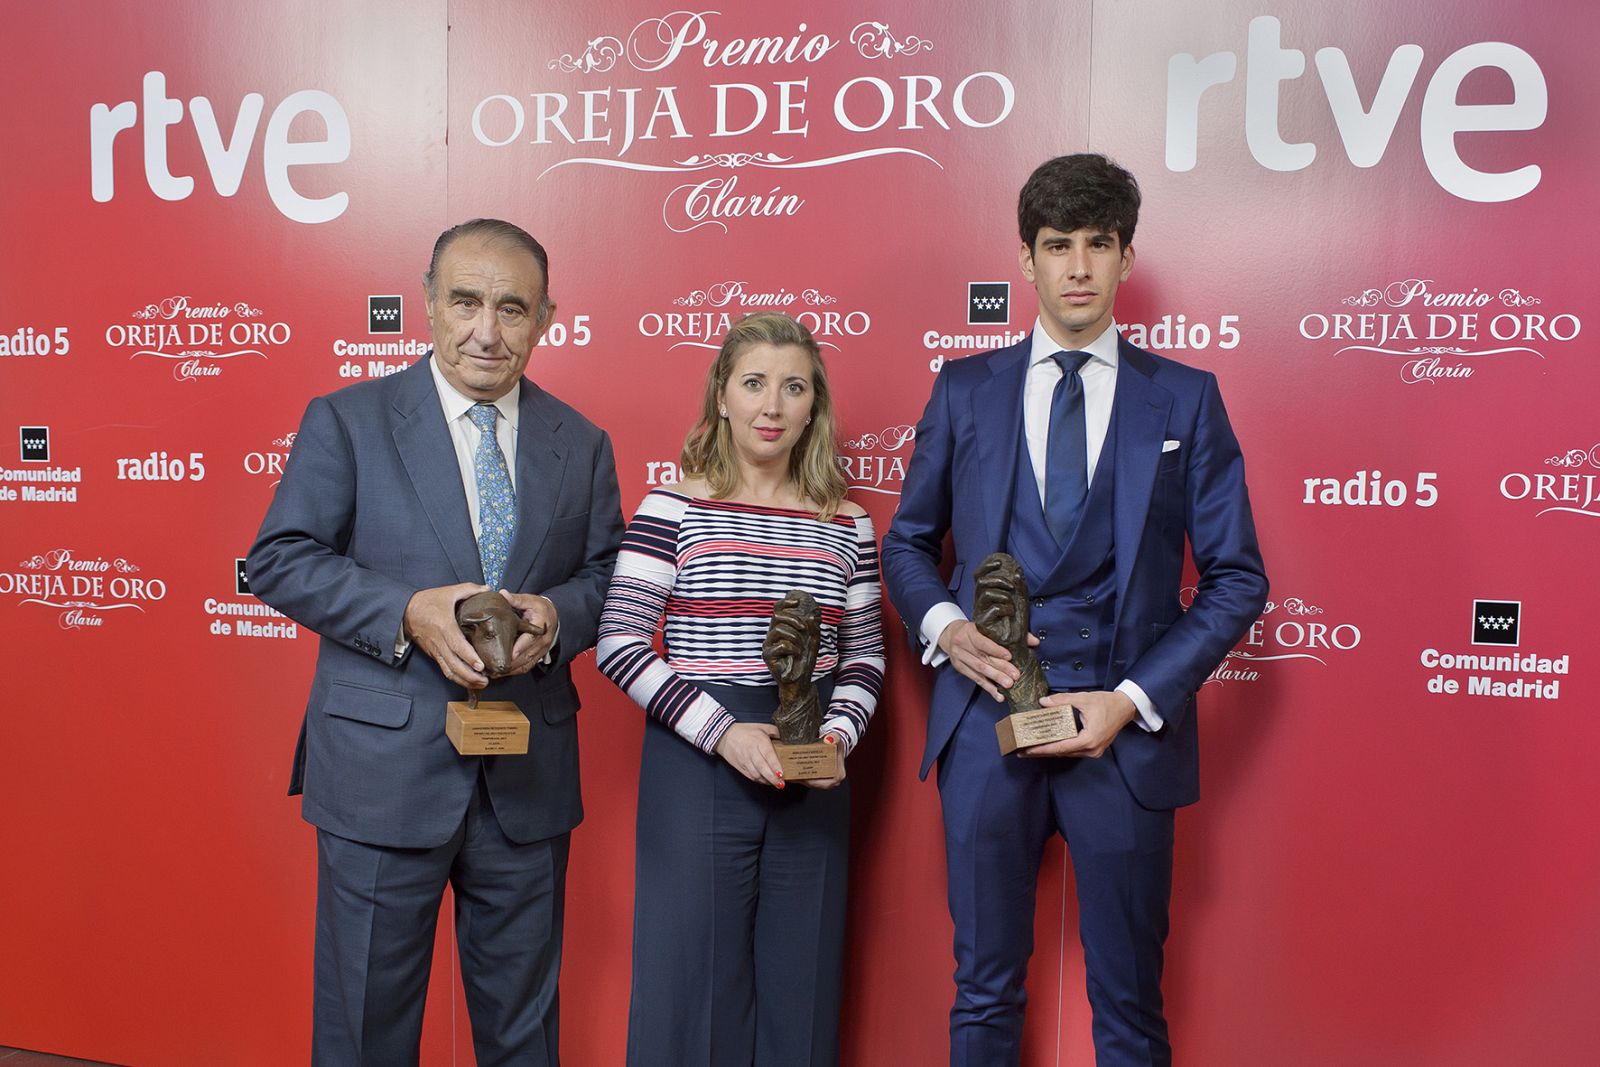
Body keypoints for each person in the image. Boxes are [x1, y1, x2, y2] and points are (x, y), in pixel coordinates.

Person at [881, 154, 1268, 1066]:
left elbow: (1237, 577)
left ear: (1127, 257)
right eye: (1060, 245)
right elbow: (905, 545)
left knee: (1129, 1005)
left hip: (1124, 740)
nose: (1081, 267)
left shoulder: (1185, 396)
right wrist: (944, 627)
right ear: (1028, 259)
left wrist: (1130, 700)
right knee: (982, 992)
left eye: (1101, 244)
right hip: (984, 728)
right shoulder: (964, 388)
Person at [247, 218, 623, 1066]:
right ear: (426, 304)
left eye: (512, 308)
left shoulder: (583, 442)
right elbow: (278, 558)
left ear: (546, 319)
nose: (487, 330)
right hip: (382, 779)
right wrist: (407, 611)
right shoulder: (348, 419)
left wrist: (557, 619)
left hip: (525, 787)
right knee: (364, 1032)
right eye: (466, 301)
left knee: (524, 1035)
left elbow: (610, 576)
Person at [596, 311, 884, 1066]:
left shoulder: (846, 522)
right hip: (698, 756)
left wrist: (834, 737)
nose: (773, 405)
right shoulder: (674, 507)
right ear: (722, 393)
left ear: (813, 407)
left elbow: (864, 658)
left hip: (811, 755)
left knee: (803, 983)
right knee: (690, 983)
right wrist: (725, 732)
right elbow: (620, 641)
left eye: (794, 388)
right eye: (754, 383)